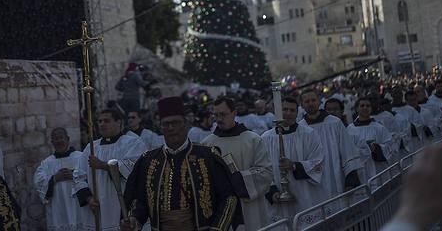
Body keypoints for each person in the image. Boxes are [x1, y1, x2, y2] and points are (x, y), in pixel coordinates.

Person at [122, 96, 239, 231]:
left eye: (175, 123)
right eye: (166, 124)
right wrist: (134, 219)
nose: (171, 128)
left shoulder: (208, 156)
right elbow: (139, 200)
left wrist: (217, 228)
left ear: (185, 123)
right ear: (161, 126)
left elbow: (228, 197)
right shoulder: (148, 160)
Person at [202, 97, 273, 230]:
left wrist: (237, 180)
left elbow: (266, 172)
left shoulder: (253, 140)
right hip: (220, 209)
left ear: (234, 113)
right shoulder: (207, 144)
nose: (219, 119)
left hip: (249, 209)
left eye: (223, 114)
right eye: (216, 115)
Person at [72, 108, 147, 231]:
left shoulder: (133, 143)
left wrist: (103, 165)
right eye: (100, 121)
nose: (102, 124)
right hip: (96, 210)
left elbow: (135, 171)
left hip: (121, 207)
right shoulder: (91, 148)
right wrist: (89, 199)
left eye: (106, 120)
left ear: (119, 122)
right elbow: (78, 176)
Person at [261, 97, 325, 221]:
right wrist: (272, 192)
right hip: (278, 198)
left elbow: (318, 161)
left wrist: (294, 166)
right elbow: (262, 169)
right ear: (278, 111)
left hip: (305, 195)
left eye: (292, 110)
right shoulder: (266, 138)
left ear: (297, 112)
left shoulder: (309, 134)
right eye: (285, 109)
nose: (288, 113)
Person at [298, 88, 362, 199]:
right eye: (307, 102)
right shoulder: (300, 128)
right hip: (312, 181)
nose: (311, 104)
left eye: (313, 100)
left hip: (336, 177)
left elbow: (347, 151)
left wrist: (351, 180)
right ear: (302, 105)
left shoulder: (335, 123)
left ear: (319, 101)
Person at [33, 128, 83, 231]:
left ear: (68, 139)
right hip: (57, 208)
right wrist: (54, 178)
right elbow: (38, 182)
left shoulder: (80, 157)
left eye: (61, 137)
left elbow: (90, 176)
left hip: (77, 207)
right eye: (56, 138)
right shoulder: (46, 163)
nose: (59, 141)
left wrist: (73, 175)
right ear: (52, 142)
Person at [347, 97, 394, 179]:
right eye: (362, 105)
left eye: (368, 106)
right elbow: (346, 151)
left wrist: (377, 148)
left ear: (371, 109)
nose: (365, 108)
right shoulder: (350, 129)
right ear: (356, 109)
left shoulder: (379, 127)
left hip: (377, 169)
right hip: (359, 170)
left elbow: (390, 146)